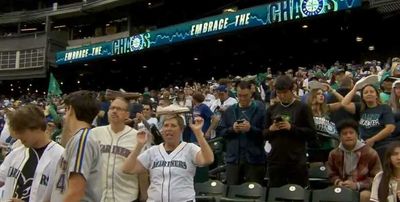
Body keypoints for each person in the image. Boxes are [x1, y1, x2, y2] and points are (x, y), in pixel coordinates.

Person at [122, 115, 213, 202]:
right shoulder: (153, 151)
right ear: (162, 130)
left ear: (181, 129)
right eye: (166, 125)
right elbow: (128, 169)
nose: (169, 128)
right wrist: (139, 145)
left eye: (173, 126)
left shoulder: (190, 148)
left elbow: (208, 159)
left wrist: (198, 133)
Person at [0, 104, 64, 202]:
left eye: (21, 131)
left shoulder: (60, 156)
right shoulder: (16, 153)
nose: (18, 136)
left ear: (37, 127)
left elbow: (63, 197)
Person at [91, 97, 148, 202]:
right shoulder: (94, 133)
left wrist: (144, 195)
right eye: (112, 108)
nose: (114, 111)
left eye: (119, 109)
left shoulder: (137, 137)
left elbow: (142, 170)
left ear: (127, 114)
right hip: (98, 197)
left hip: (126, 197)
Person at [264, 75, 317, 187]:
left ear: (292, 90)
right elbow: (263, 134)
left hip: (296, 159)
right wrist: (271, 129)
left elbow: (312, 133)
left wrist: (291, 128)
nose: (282, 96)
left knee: (297, 193)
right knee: (275, 193)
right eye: (279, 93)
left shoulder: (303, 108)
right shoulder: (271, 109)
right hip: (276, 159)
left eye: (285, 92)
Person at [50, 90, 102, 202]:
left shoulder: (82, 140)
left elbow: (76, 192)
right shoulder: (80, 137)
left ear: (70, 109)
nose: (64, 115)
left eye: (66, 109)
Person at [217, 81, 267, 185]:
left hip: (254, 159)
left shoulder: (260, 110)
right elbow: (221, 131)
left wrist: (250, 129)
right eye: (240, 95)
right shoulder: (230, 111)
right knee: (232, 193)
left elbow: (266, 133)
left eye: (246, 95)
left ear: (251, 94)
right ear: (236, 94)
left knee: (253, 193)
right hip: (234, 160)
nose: (243, 98)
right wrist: (233, 129)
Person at [327, 119, 381, 202]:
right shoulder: (334, 154)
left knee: (365, 196)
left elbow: (377, 177)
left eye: (351, 133)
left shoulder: (370, 153)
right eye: (344, 133)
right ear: (339, 137)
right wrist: (338, 182)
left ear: (357, 135)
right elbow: (331, 174)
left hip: (363, 188)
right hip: (341, 187)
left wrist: (357, 185)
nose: (348, 136)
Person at [342, 83, 396, 160]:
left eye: (371, 91)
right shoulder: (360, 108)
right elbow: (344, 104)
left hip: (383, 144)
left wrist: (372, 140)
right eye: (366, 92)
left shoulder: (384, 108)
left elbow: (390, 128)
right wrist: (355, 89)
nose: (369, 94)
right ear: (362, 97)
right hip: (364, 145)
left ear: (377, 95)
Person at [306, 82, 343, 162]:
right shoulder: (306, 110)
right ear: (313, 96)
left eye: (322, 94)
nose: (322, 95)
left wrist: (332, 90)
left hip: (328, 146)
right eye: (318, 94)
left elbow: (344, 102)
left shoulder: (327, 108)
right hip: (312, 147)